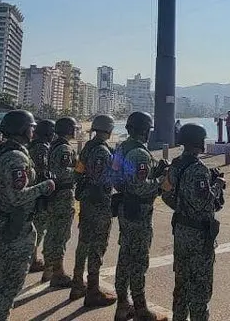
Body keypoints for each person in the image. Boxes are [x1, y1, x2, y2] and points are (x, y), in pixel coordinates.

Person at [0, 110, 54, 321]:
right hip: (12, 229)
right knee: (8, 287)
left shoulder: (0, 152)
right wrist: (44, 187)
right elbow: (16, 196)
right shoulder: (16, 157)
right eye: (31, 127)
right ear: (22, 129)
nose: (33, 131)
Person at [163, 124, 226, 321]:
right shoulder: (199, 171)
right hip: (199, 236)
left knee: (181, 284)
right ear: (198, 142)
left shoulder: (175, 164)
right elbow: (206, 205)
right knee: (200, 287)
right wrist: (217, 185)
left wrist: (182, 207)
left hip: (181, 231)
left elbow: (165, 193)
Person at [112, 111, 167, 321]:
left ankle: (122, 303)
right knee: (138, 259)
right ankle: (140, 307)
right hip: (139, 213)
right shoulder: (140, 154)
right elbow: (139, 185)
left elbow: (117, 179)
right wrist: (160, 181)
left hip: (125, 207)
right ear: (145, 130)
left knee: (125, 255)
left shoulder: (120, 149)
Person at [70, 114, 117, 307]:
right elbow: (101, 179)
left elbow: (78, 172)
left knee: (84, 242)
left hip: (88, 202)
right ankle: (93, 290)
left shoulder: (88, 148)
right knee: (97, 246)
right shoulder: (102, 152)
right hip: (99, 204)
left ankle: (77, 282)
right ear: (110, 130)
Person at [42, 117, 79, 289]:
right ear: (70, 130)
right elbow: (63, 172)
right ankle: (58, 272)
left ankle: (49, 269)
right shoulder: (64, 148)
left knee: (52, 231)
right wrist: (80, 170)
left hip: (54, 194)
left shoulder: (53, 145)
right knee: (61, 233)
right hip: (63, 195)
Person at [28, 119, 56, 274]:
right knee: (38, 227)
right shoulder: (41, 147)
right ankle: (31, 259)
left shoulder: (33, 145)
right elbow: (43, 170)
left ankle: (33, 257)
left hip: (34, 192)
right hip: (39, 194)